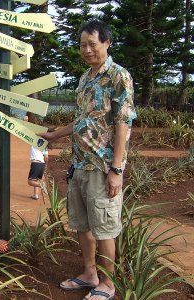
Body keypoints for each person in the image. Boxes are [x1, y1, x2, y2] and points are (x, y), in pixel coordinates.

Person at [39, 19, 136, 300]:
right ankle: (89, 274)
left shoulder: (119, 77)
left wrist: (116, 169)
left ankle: (107, 283)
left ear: (107, 43)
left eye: (92, 44)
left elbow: (123, 124)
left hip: (103, 167)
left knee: (105, 228)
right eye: (83, 45)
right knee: (82, 225)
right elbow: (81, 121)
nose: (87, 50)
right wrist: (55, 135)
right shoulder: (85, 79)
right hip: (79, 165)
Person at [24, 116, 49, 200]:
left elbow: (27, 131)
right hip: (41, 164)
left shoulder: (35, 140)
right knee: (37, 179)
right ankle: (36, 195)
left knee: (30, 182)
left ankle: (41, 185)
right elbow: (46, 157)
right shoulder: (45, 145)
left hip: (35, 164)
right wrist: (45, 165)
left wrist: (26, 121)